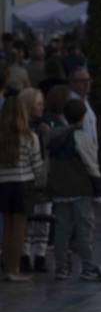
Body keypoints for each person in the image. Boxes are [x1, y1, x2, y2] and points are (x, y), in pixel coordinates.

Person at [48, 99, 101, 281]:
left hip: (60, 190)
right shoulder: (81, 137)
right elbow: (91, 165)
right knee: (84, 229)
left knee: (62, 229)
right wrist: (98, 189)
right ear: (83, 116)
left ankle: (61, 268)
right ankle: (88, 267)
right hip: (80, 188)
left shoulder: (54, 136)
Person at [0, 89, 46, 281]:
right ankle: (14, 268)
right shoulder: (29, 137)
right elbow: (37, 167)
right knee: (19, 229)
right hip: (23, 185)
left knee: (6, 227)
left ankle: (5, 267)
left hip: (2, 185)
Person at [18, 87, 52, 274]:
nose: (42, 108)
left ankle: (40, 254)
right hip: (26, 176)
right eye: (38, 104)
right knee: (27, 218)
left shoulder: (44, 127)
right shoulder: (21, 128)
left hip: (42, 176)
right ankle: (24, 254)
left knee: (43, 216)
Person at [66, 67, 96, 146]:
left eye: (88, 80)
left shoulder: (86, 101)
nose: (87, 84)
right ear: (72, 83)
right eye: (83, 81)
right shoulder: (69, 103)